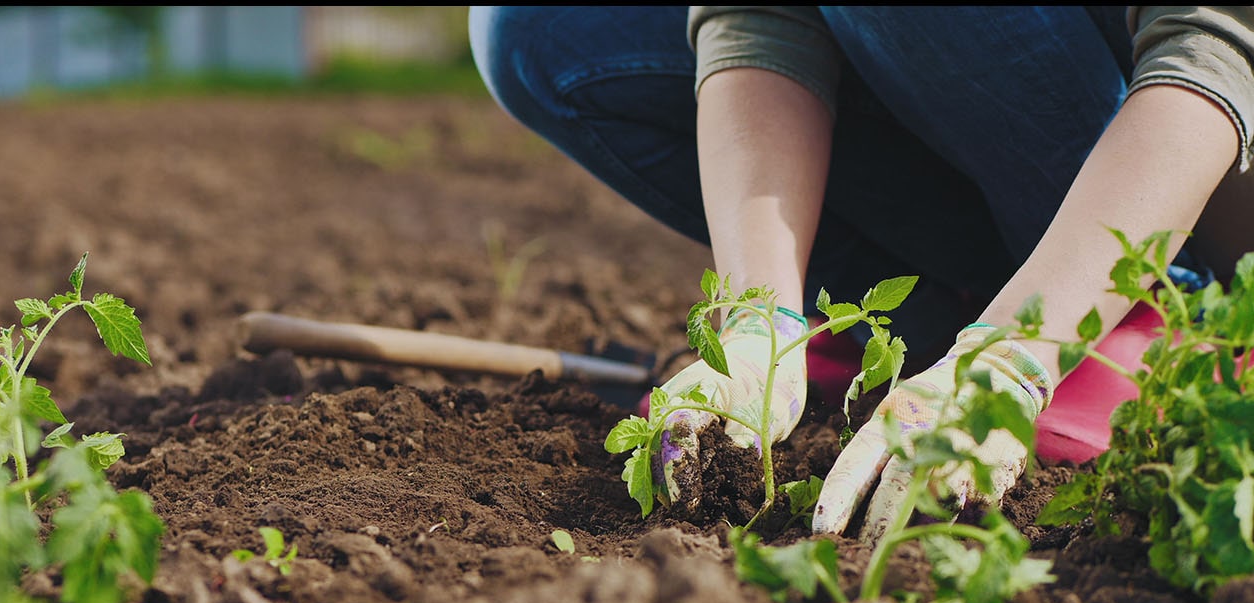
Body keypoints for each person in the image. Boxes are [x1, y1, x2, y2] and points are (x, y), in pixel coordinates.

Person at [468, 6, 1254, 541]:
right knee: (537, 28)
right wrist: (758, 321)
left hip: (1212, 192)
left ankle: (1132, 308)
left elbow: (1214, 46)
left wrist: (1019, 351)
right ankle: (933, 315)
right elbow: (760, 19)